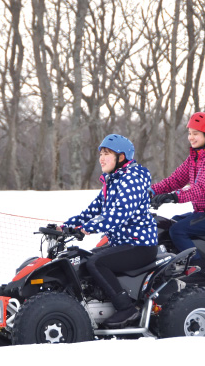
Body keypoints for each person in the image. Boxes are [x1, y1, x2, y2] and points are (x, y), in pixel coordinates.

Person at [59, 134, 158, 328]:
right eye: (101, 154)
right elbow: (91, 211)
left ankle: (126, 308)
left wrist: (85, 229)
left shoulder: (133, 180)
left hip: (139, 245)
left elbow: (117, 215)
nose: (101, 158)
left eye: (107, 153)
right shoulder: (112, 181)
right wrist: (65, 227)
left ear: (121, 157)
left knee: (97, 262)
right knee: (83, 259)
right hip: (121, 244)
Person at [150, 112, 205, 280]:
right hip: (203, 211)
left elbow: (201, 188)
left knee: (178, 230)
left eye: (195, 133)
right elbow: (174, 180)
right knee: (169, 223)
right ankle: (179, 263)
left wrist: (174, 197)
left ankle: (199, 269)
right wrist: (151, 192)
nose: (191, 137)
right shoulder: (196, 157)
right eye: (190, 133)